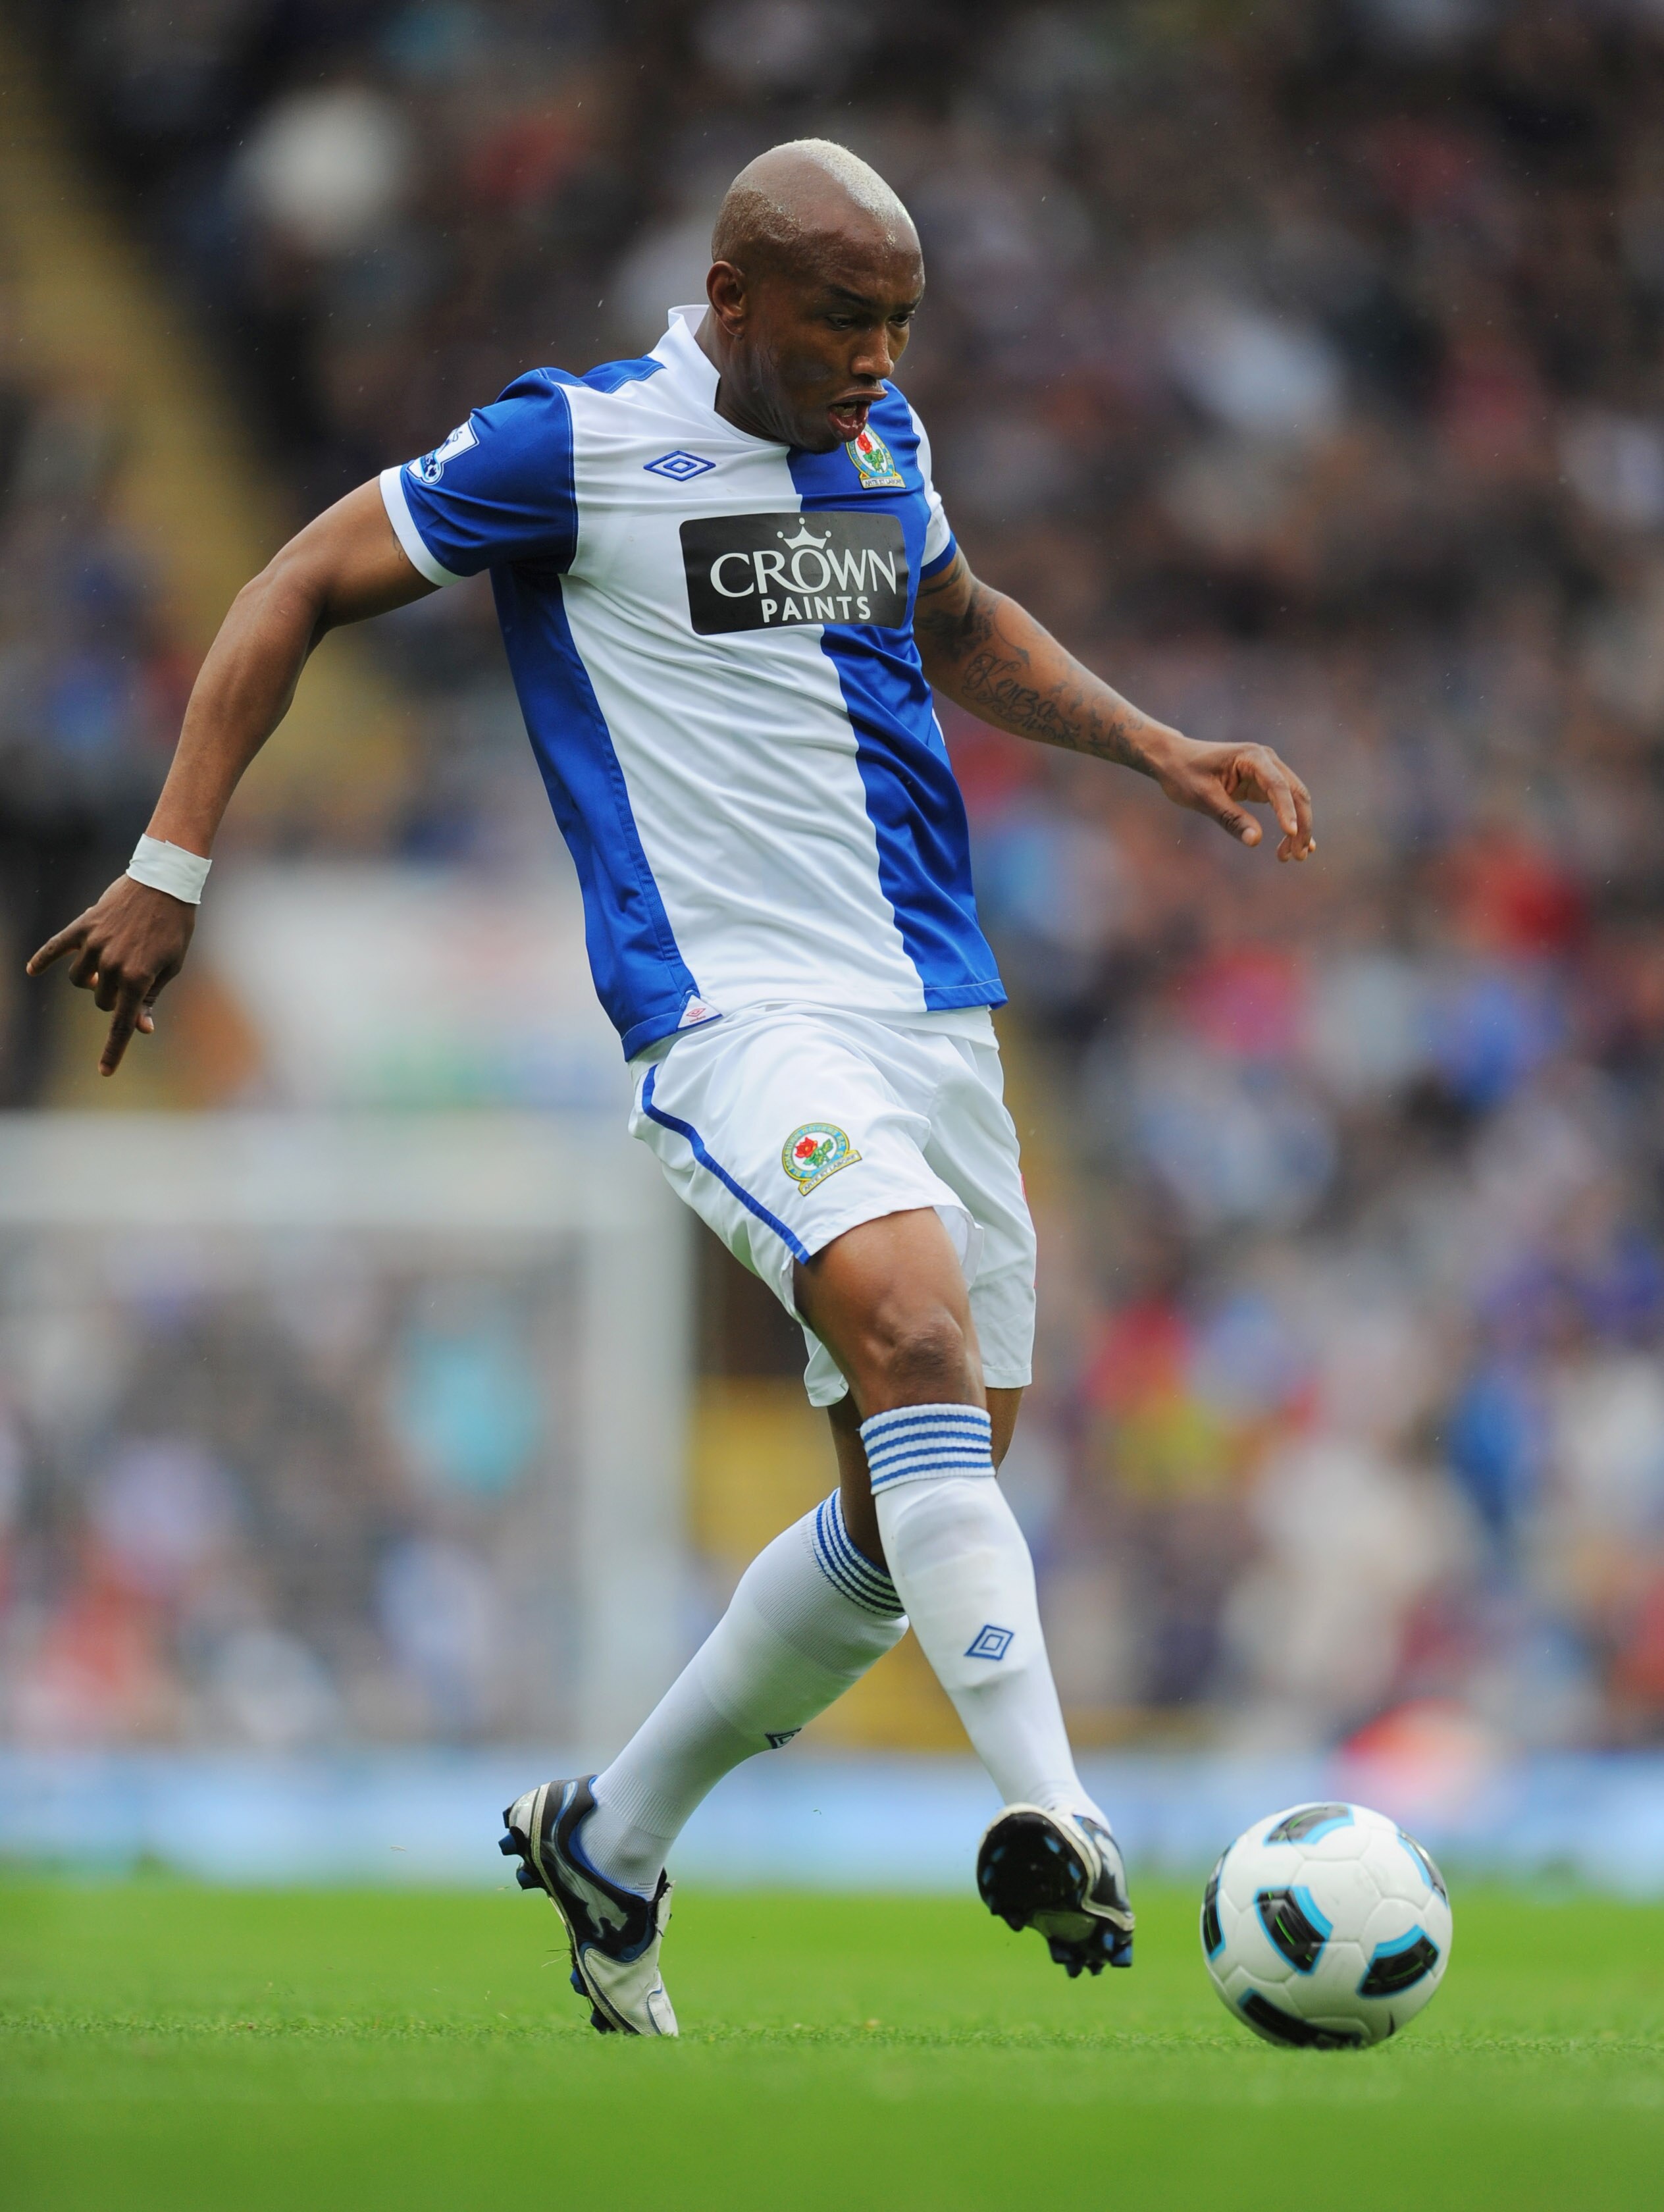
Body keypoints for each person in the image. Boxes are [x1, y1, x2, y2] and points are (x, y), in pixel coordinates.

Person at [28, 141, 1314, 2038]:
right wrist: (173, 859)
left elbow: (949, 623)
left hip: (937, 1016)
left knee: (912, 1510)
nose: (878, 354)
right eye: (842, 317)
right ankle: (1062, 1812)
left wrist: (1155, 747)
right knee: (912, 1336)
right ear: (732, 299)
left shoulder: (884, 443)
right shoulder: (572, 448)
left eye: (900, 321)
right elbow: (297, 578)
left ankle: (609, 1841)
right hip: (731, 1014)